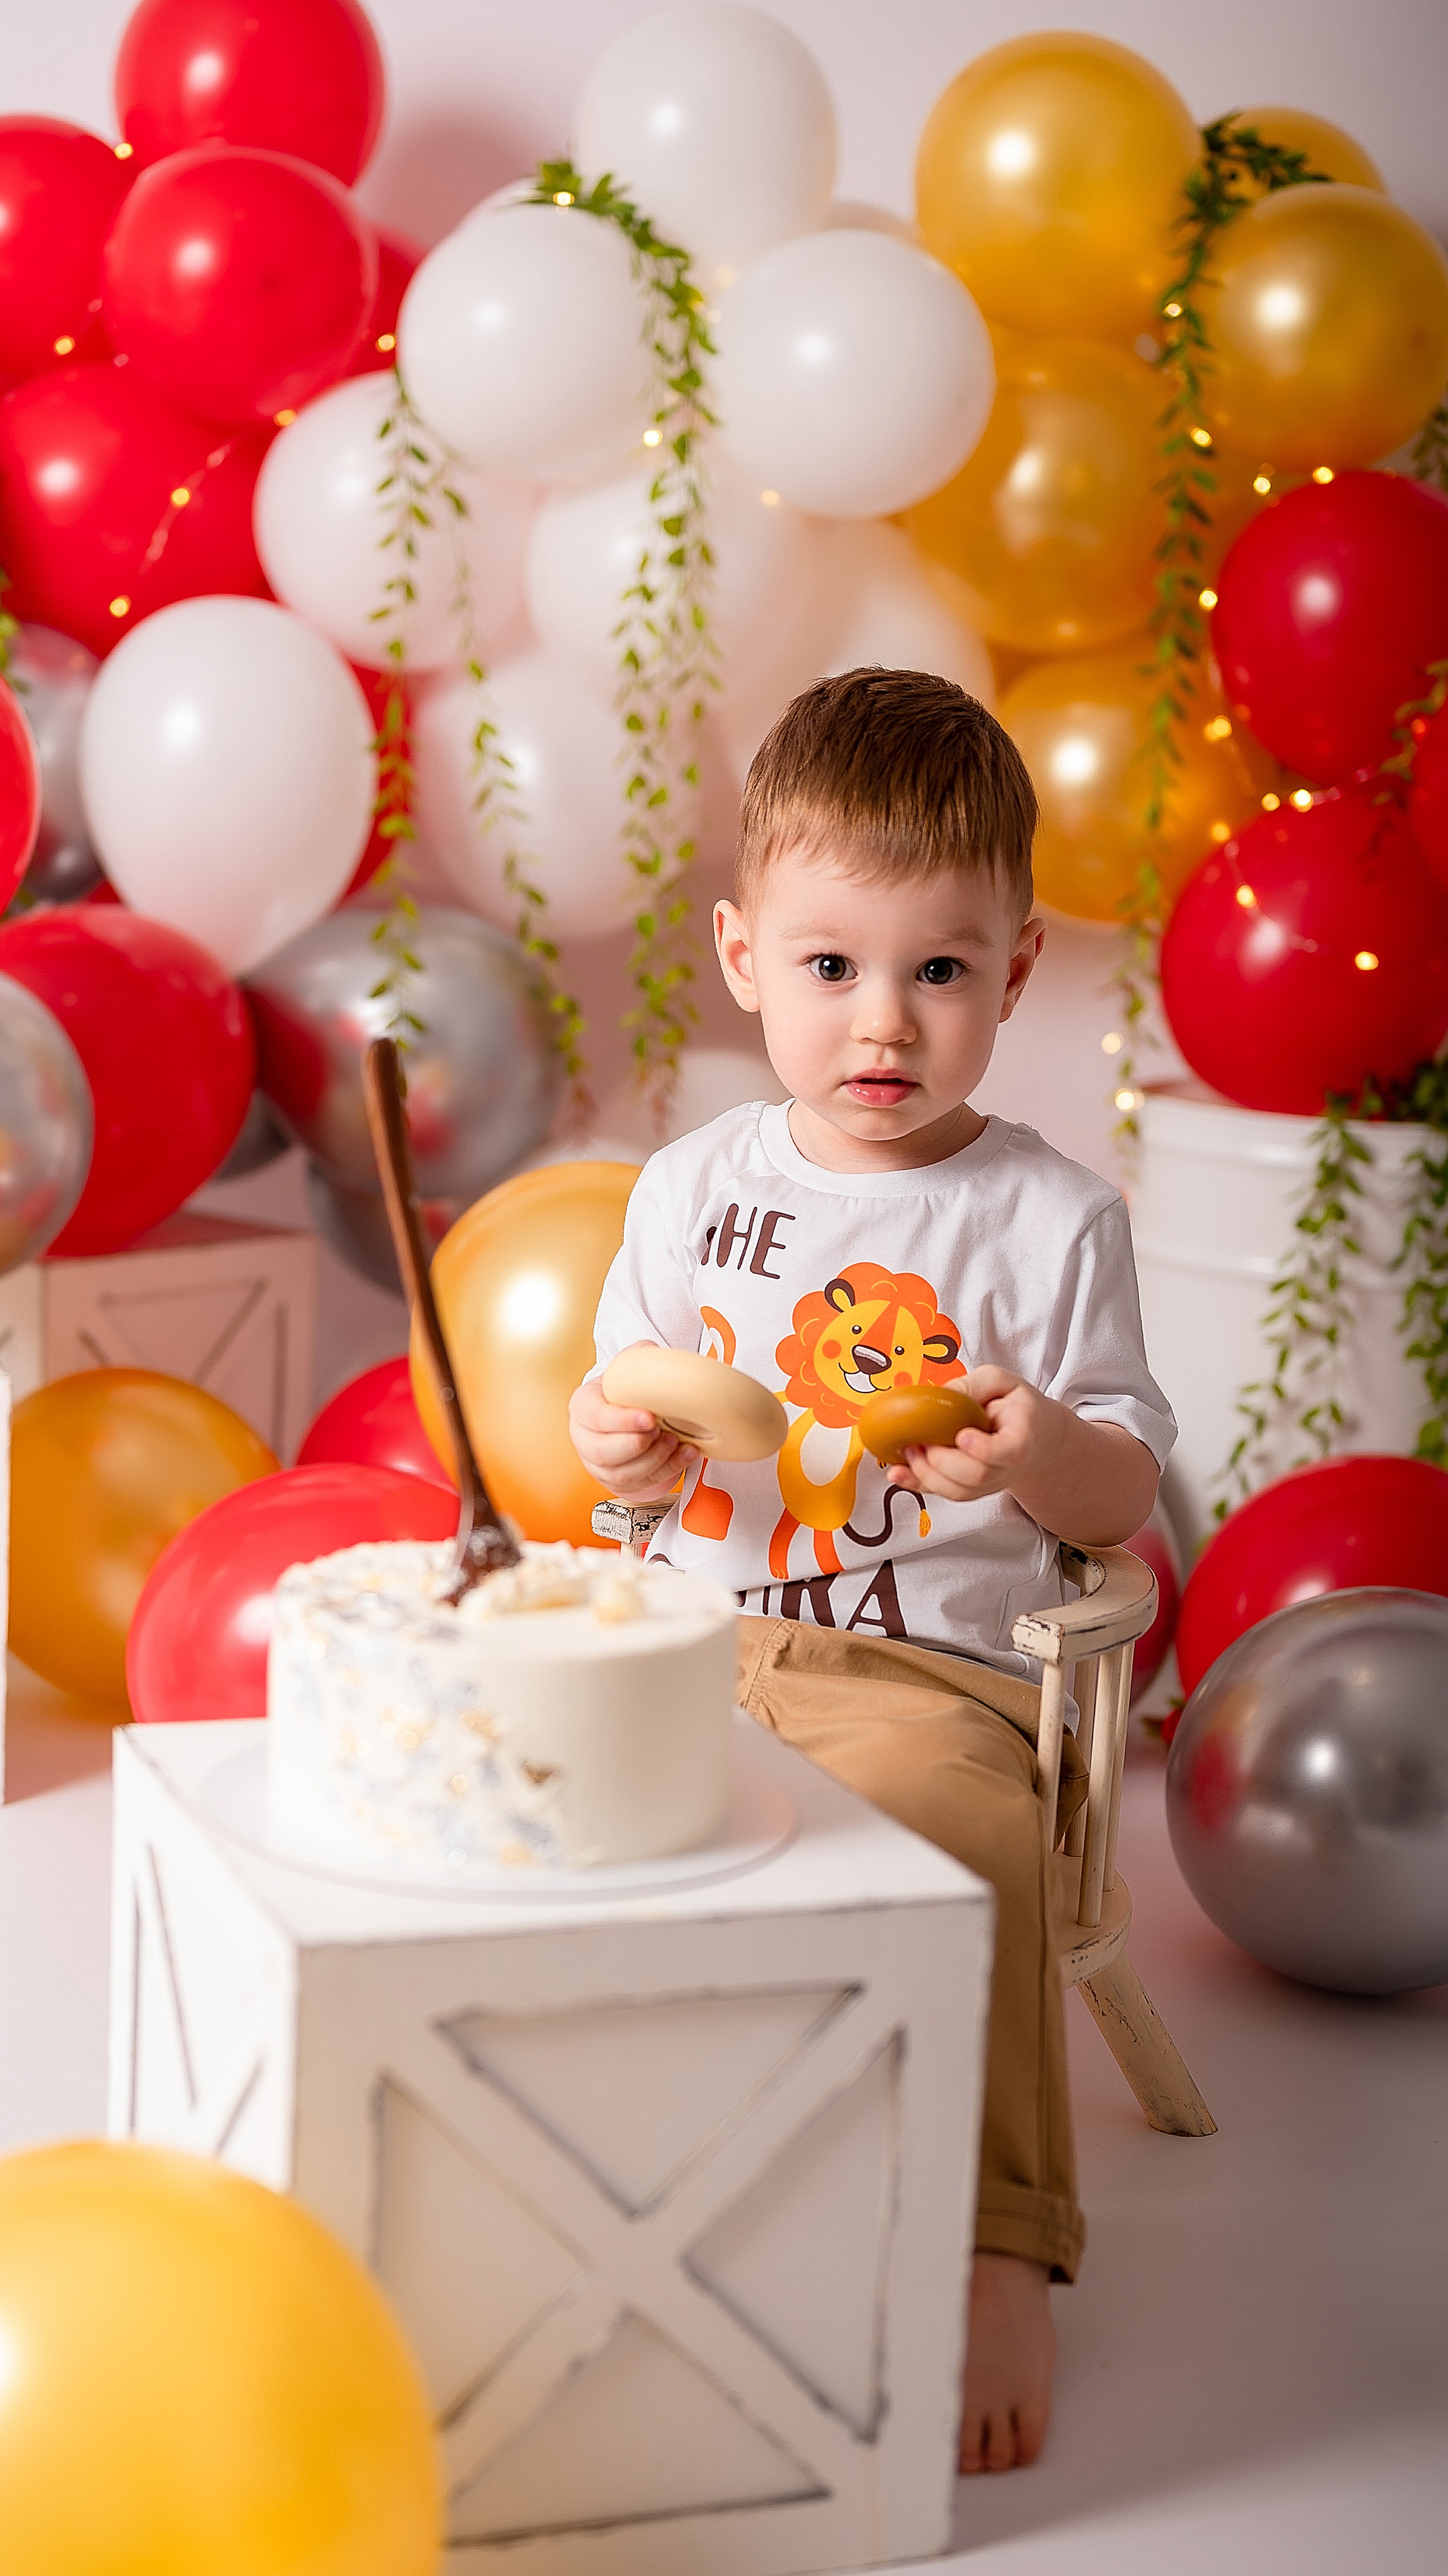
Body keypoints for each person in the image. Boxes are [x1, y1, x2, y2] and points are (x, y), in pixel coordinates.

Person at [569, 667, 1175, 2475]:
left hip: (933, 1679)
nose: (883, 1019)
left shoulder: (1050, 1217)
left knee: (965, 1829)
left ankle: (999, 2240)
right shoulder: (689, 1189)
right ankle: (603, 2170)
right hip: (697, 1646)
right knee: (540, 1796)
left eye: (940, 967)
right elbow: (622, 1427)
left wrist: (1040, 1449)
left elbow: (1129, 1481)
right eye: (833, 966)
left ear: (1020, 962)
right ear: (747, 955)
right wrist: (620, 1442)